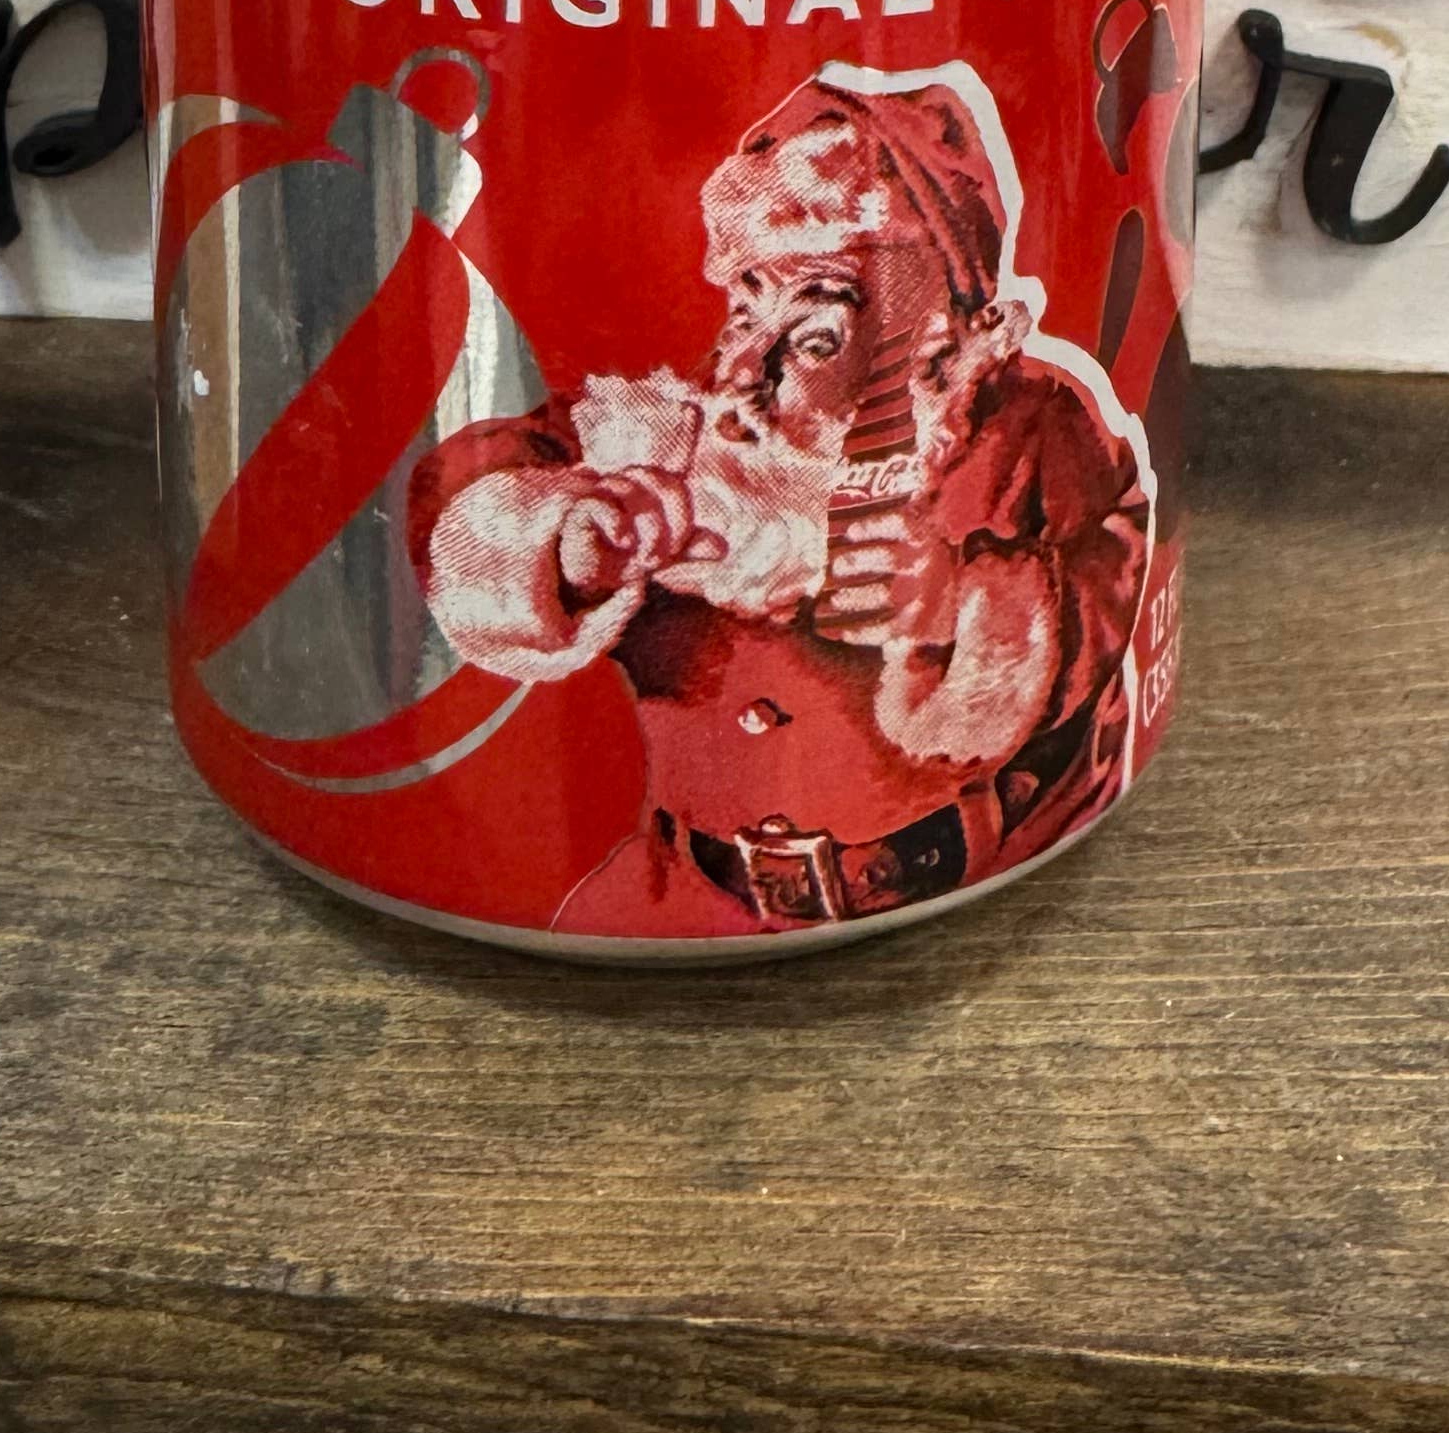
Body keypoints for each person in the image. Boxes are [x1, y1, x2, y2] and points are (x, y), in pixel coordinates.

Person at [411, 71, 1152, 940]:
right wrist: (567, 537)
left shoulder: (1023, 428)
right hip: (681, 891)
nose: (745, 373)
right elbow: (466, 490)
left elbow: (1120, 573)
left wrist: (968, 605)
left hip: (965, 877)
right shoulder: (661, 439)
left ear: (921, 326)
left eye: (815, 336)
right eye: (745, 307)